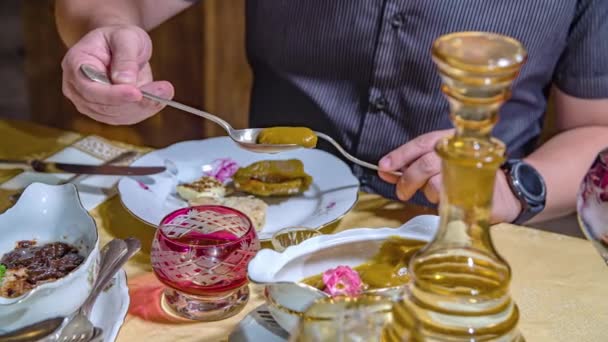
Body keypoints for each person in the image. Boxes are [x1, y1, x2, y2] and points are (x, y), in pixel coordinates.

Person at [56, 0, 608, 225]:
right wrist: (107, 31)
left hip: (459, 232)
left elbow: (596, 132)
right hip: (266, 218)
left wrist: (513, 187)